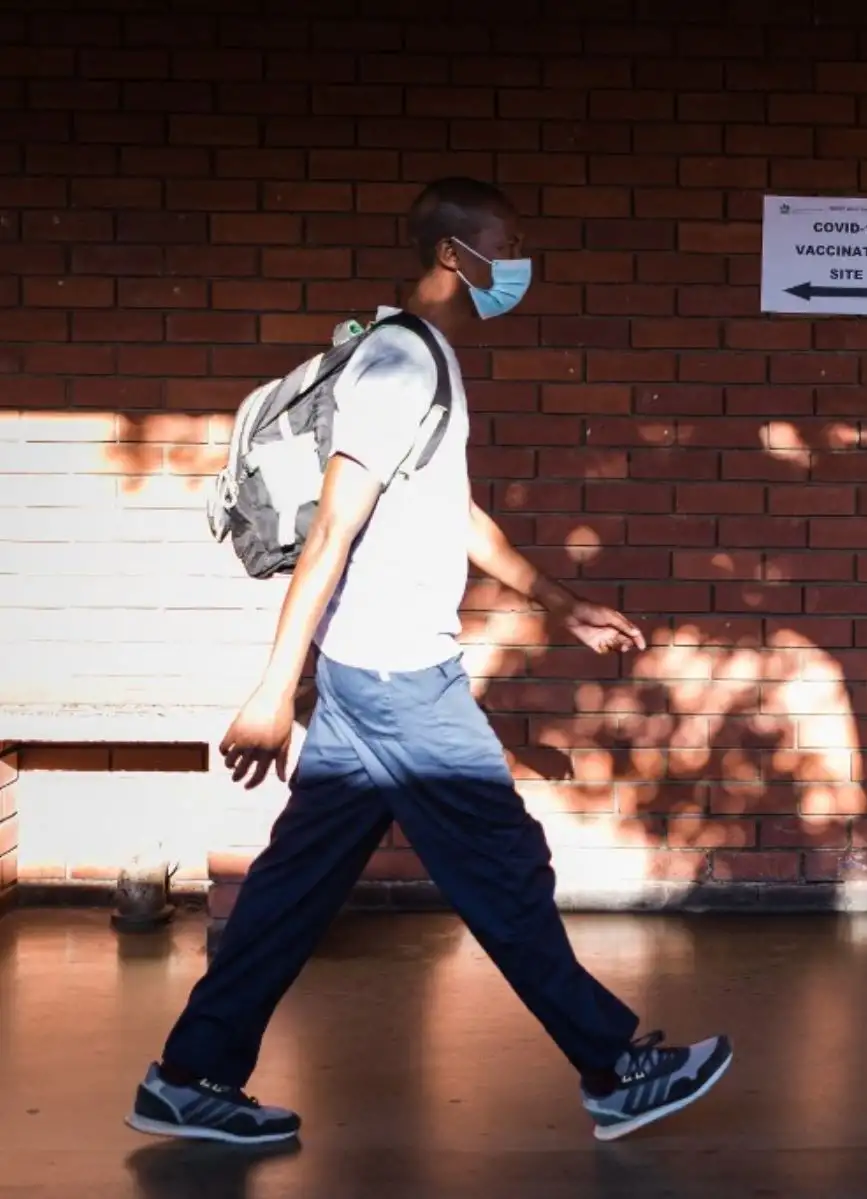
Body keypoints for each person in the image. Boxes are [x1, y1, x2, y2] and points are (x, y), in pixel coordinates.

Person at [126, 177, 732, 1146]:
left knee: (292, 889)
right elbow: (332, 525)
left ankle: (189, 1072)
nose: (520, 263)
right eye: (510, 243)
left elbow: (458, 518)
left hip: (374, 686)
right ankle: (617, 1069)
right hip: (403, 681)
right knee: (504, 868)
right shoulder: (400, 364)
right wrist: (274, 685)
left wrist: (564, 607)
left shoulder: (425, 361)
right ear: (455, 255)